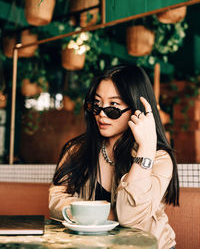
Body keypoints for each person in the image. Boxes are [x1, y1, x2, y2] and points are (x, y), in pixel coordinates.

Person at [49, 64, 179, 249]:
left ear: (136, 109)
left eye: (113, 107)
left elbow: (129, 216)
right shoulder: (76, 150)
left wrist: (146, 148)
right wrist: (108, 213)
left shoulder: (159, 158)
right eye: (97, 104)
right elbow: (56, 201)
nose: (101, 114)